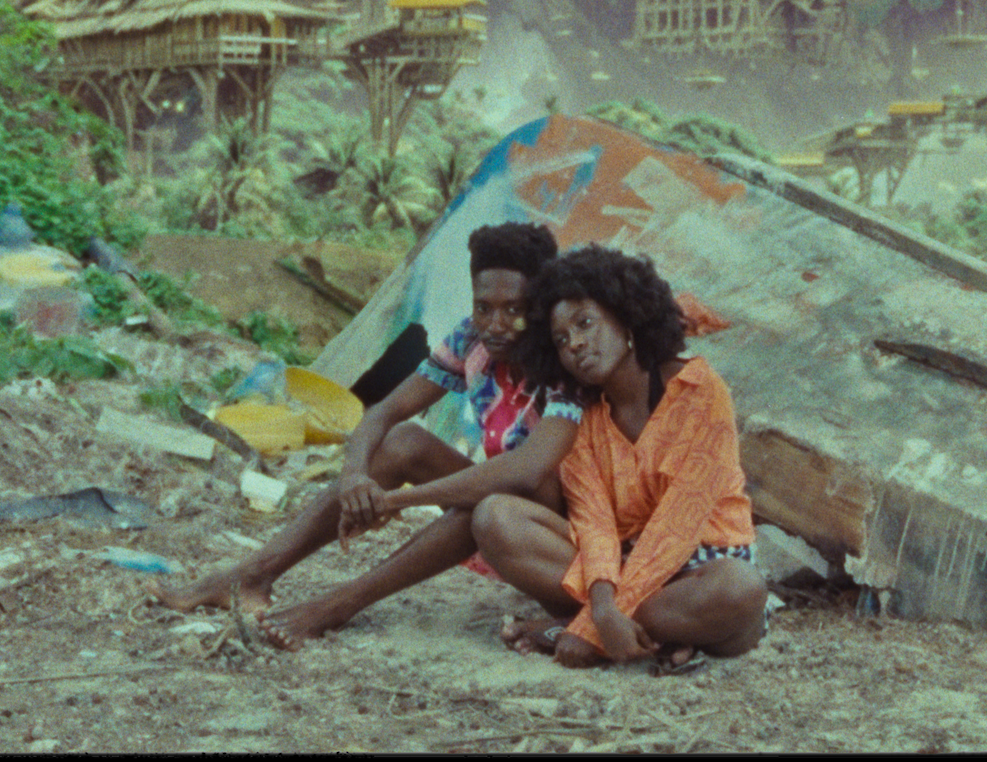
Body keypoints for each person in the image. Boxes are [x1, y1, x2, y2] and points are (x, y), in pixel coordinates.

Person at [151, 222, 580, 647]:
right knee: (404, 442)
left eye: (514, 309)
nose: (496, 324)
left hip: (569, 546)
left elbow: (526, 472)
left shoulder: (566, 360)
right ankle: (253, 575)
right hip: (514, 514)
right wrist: (356, 476)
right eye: (484, 306)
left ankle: (337, 605)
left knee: (488, 496)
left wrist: (396, 500)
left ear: (540, 306)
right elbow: (385, 412)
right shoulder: (474, 340)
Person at [473, 244, 768, 671]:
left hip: (703, 568)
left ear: (626, 317)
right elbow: (594, 525)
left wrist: (593, 626)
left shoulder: (699, 391)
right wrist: (604, 605)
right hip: (617, 570)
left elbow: (679, 524)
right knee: (494, 518)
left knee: (741, 589)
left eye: (585, 323)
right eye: (561, 339)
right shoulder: (581, 419)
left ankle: (579, 630)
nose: (575, 343)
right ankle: (657, 639)